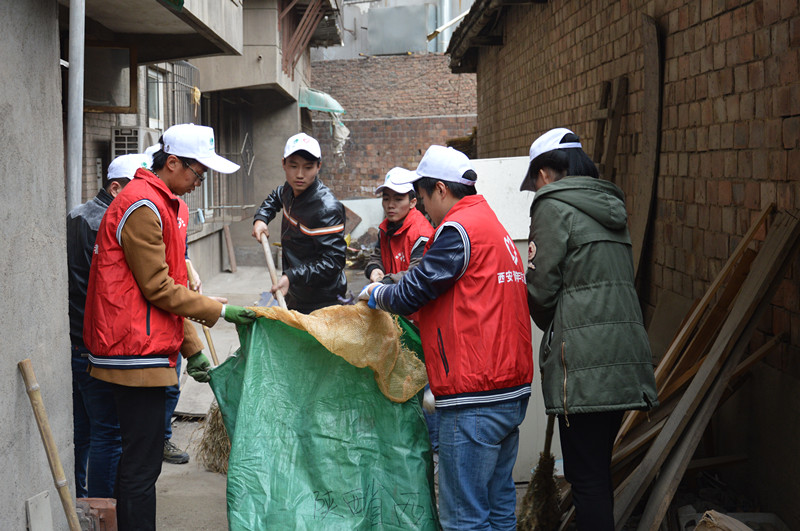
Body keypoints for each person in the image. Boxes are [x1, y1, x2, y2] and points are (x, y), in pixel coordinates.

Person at [83, 123, 257, 531]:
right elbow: (158, 287)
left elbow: (171, 284)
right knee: (140, 468)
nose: (200, 182)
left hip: (146, 346)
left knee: (139, 462)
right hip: (132, 353)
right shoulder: (142, 205)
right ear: (173, 162)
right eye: (198, 173)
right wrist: (217, 311)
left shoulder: (165, 203)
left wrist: (191, 347)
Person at [359, 145, 533, 530]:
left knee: (464, 517)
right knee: (499, 505)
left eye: (421, 198)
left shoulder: (456, 230)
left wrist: (376, 294)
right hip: (509, 388)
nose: (422, 209)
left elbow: (411, 292)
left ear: (440, 189)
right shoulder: (493, 226)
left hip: (475, 395)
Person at [521, 128, 658, 531]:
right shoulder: (609, 203)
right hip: (624, 355)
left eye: (533, 182)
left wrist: (552, 323)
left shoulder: (551, 206)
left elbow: (542, 290)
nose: (533, 190)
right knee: (597, 471)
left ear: (545, 173)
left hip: (584, 364)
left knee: (586, 478)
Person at [68, 153, 148, 498]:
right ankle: (102, 512)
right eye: (136, 192)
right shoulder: (111, 223)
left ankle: (80, 501)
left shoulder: (74, 215)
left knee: (82, 432)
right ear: (116, 188)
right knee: (108, 433)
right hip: (97, 342)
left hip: (72, 338)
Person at [252, 132, 347, 313]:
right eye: (294, 166)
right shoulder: (290, 189)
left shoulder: (327, 208)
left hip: (323, 301)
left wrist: (292, 276)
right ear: (283, 164)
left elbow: (333, 263)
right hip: (295, 290)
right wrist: (261, 218)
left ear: (319, 166)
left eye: (308, 167)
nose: (300, 175)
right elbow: (276, 196)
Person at [364, 167, 433, 285]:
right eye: (386, 198)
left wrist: (386, 282)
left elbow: (417, 274)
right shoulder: (385, 229)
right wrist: (375, 269)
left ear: (412, 202)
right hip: (390, 296)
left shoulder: (422, 234)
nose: (390, 205)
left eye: (398, 199)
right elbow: (377, 256)